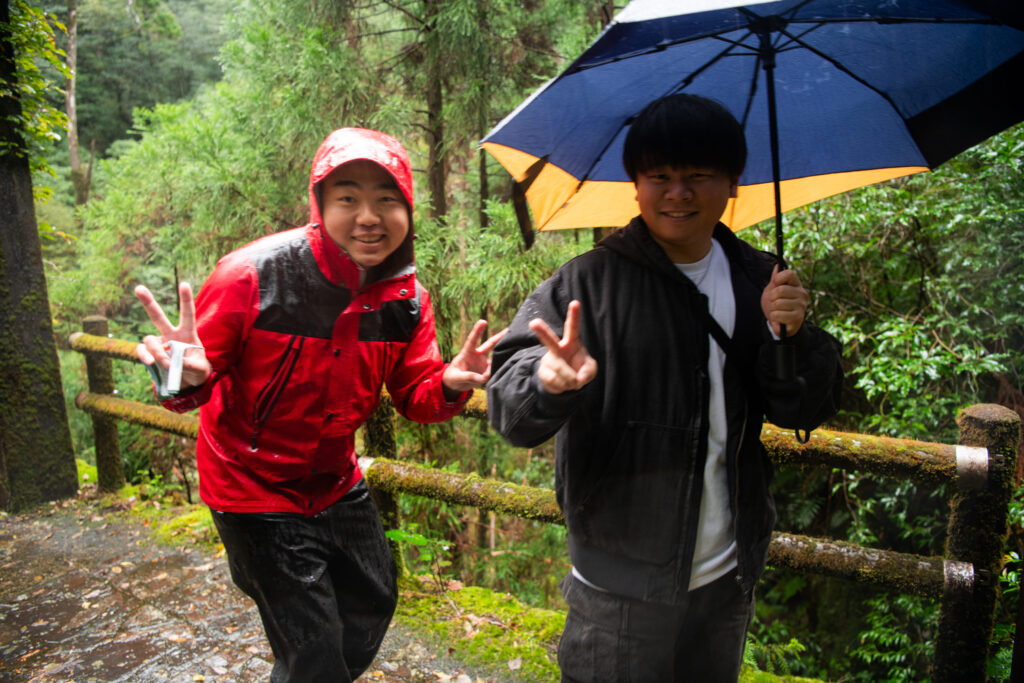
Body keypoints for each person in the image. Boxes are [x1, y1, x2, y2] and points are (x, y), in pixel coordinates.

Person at [486, 94, 843, 682]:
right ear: (636, 186)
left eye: (698, 176)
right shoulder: (588, 284)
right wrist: (547, 382)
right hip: (616, 591)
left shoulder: (760, 279)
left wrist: (792, 336)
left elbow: (801, 409)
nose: (679, 193)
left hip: (726, 580)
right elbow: (509, 407)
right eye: (660, 177)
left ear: (732, 183)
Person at [134, 127, 504, 682]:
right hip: (250, 483)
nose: (368, 217)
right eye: (348, 198)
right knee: (313, 645)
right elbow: (185, 385)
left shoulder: (406, 300)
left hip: (334, 477)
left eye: (387, 199)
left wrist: (450, 384)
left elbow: (415, 396)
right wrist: (179, 376)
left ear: (407, 209)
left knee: (375, 598)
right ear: (320, 204)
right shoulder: (252, 276)